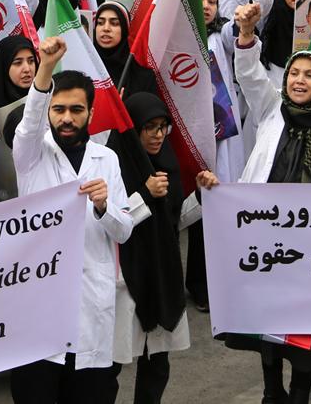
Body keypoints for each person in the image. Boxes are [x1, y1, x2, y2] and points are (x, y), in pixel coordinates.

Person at [230, 2, 311, 404]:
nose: (299, 80)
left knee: (306, 328)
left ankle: (299, 393)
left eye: (309, 74)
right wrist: (246, 35)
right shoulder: (272, 110)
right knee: (268, 324)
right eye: (293, 73)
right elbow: (249, 75)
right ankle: (272, 391)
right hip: (267, 239)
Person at [9, 37, 131, 404]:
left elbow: (124, 230)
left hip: (91, 308)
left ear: (91, 114)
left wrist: (104, 207)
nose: (66, 118)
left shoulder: (106, 159)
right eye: (58, 109)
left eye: (76, 110)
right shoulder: (31, 155)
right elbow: (29, 124)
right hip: (40, 311)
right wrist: (45, 67)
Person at [108, 93, 189, 404]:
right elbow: (109, 218)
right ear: (133, 129)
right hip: (126, 275)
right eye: (149, 127)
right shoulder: (112, 164)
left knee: (157, 360)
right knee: (112, 362)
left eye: (163, 127)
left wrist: (203, 195)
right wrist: (144, 193)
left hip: (161, 271)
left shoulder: (167, 163)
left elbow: (176, 218)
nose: (158, 135)